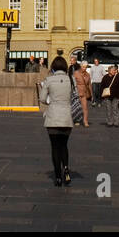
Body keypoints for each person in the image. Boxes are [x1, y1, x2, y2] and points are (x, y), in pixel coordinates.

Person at [39, 56, 74, 186]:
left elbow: (42, 98)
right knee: (64, 145)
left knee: (55, 147)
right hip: (66, 116)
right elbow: (74, 96)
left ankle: (58, 176)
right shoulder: (70, 79)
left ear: (53, 67)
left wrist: (51, 100)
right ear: (65, 66)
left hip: (53, 115)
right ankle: (66, 168)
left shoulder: (49, 80)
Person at [73, 60, 92, 127]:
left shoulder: (88, 74)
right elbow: (73, 83)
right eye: (83, 67)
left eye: (86, 67)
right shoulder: (76, 73)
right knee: (77, 108)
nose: (85, 68)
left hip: (84, 93)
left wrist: (91, 94)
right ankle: (76, 120)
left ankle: (85, 121)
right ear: (81, 66)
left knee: (85, 108)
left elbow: (89, 85)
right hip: (77, 92)